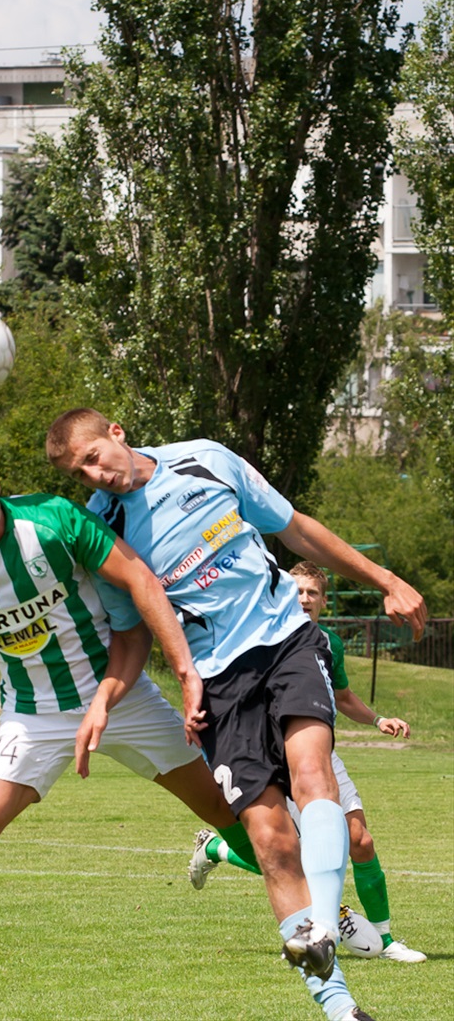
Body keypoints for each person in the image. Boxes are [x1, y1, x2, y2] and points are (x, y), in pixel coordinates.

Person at [0, 443, 254, 1020]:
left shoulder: (53, 519)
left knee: (232, 815)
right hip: (33, 715)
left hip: (123, 696)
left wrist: (183, 668)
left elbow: (138, 579)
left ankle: (293, 893)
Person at [47, 409, 427, 1021]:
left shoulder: (204, 458)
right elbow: (132, 631)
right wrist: (105, 700)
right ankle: (339, 1009)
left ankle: (324, 928)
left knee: (312, 773)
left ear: (116, 432)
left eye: (94, 456)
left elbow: (296, 529)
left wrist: (385, 578)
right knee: (270, 840)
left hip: (285, 640)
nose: (96, 475)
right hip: (217, 683)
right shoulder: (104, 530)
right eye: (80, 473)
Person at [188, 561, 426, 964]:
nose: (304, 598)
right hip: (275, 756)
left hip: (321, 752)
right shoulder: (258, 634)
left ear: (322, 599)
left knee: (360, 841)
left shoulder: (329, 642)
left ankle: (385, 940)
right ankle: (228, 859)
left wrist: (378, 719)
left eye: (312, 592)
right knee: (286, 849)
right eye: (296, 590)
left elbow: (344, 697)